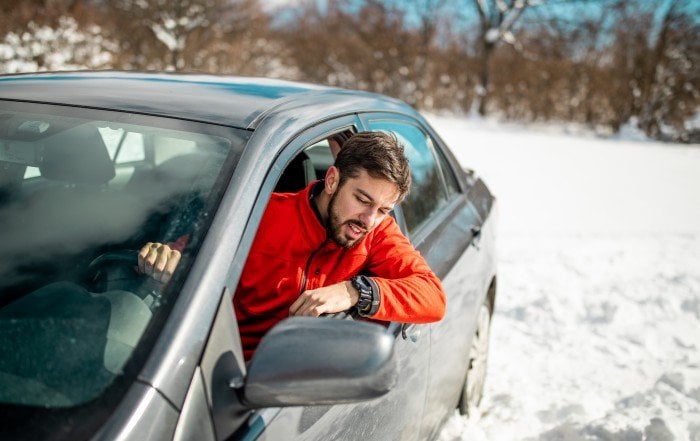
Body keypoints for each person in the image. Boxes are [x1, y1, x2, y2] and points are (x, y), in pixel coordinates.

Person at [140, 131, 446, 360]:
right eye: (362, 200)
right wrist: (165, 259)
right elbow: (182, 254)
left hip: (299, 383)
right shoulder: (257, 215)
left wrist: (355, 291)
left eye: (383, 210)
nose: (368, 220)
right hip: (220, 373)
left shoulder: (377, 233)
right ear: (332, 180)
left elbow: (433, 297)